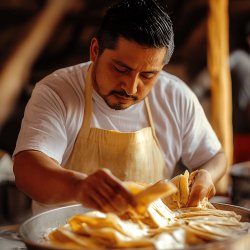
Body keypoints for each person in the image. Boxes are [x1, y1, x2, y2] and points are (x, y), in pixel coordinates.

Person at [13, 0, 227, 214]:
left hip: (150, 240)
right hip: (65, 239)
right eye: (120, 69)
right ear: (95, 51)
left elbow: (214, 157)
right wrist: (78, 187)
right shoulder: (57, 92)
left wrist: (206, 175)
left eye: (147, 75)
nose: (131, 87)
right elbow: (27, 168)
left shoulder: (176, 96)